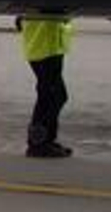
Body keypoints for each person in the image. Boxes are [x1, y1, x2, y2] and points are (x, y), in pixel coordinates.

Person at [22, 16, 74, 158]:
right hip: (43, 49)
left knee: (52, 96)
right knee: (52, 97)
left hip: (50, 47)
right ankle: (38, 144)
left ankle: (45, 141)